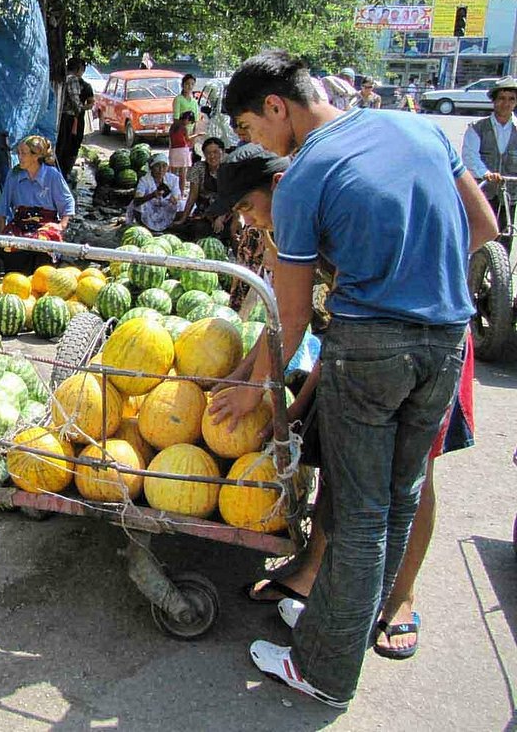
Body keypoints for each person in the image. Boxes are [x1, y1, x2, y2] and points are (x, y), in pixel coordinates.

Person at [212, 49, 497, 708]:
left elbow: (289, 312)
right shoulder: (419, 128)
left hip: (371, 348)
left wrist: (253, 392)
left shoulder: (307, 173)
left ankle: (323, 671)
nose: (261, 144)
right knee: (399, 500)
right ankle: (350, 628)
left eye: (254, 131)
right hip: (447, 341)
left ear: (277, 108)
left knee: (362, 516)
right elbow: (484, 228)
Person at [0, 134, 75, 273]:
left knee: (42, 245)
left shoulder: (52, 175)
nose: (20, 157)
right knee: (10, 245)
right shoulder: (14, 175)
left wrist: (61, 225)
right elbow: (3, 207)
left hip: (45, 224)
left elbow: (67, 203)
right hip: (20, 223)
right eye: (19, 153)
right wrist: (3, 232)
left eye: (24, 153)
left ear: (36, 156)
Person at [461, 76, 517, 221]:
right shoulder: (477, 127)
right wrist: (486, 173)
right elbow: (470, 156)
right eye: (502, 98)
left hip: (510, 194)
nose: (506, 103)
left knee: (506, 233)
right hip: (482, 192)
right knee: (481, 234)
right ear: (494, 100)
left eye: (511, 99)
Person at [175, 136, 226, 239]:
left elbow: (231, 196)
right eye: (208, 153)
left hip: (226, 211)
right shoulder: (199, 168)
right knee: (197, 229)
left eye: (215, 152)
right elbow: (192, 196)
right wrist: (184, 218)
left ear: (223, 152)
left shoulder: (229, 168)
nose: (212, 156)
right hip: (205, 212)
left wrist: (221, 218)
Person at [55, 58, 91, 178]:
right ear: (78, 69)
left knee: (61, 146)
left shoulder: (62, 77)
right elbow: (75, 101)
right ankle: (63, 174)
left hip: (60, 116)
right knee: (67, 147)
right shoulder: (73, 79)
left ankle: (60, 172)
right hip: (68, 117)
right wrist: (83, 108)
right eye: (82, 70)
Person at [127, 153, 181, 232]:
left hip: (164, 208)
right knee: (139, 206)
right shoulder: (144, 180)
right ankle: (147, 227)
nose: (161, 169)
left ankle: (169, 225)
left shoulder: (173, 179)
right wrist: (152, 195)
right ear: (151, 167)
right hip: (149, 210)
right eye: (157, 166)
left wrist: (174, 199)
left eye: (164, 166)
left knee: (181, 204)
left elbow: (177, 195)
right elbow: (137, 200)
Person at [167, 111, 200, 191]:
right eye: (189, 121)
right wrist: (197, 135)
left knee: (173, 174)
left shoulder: (173, 126)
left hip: (173, 151)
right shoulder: (183, 128)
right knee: (182, 175)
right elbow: (187, 139)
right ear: (187, 119)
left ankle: (172, 192)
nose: (189, 123)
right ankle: (181, 193)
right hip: (182, 151)